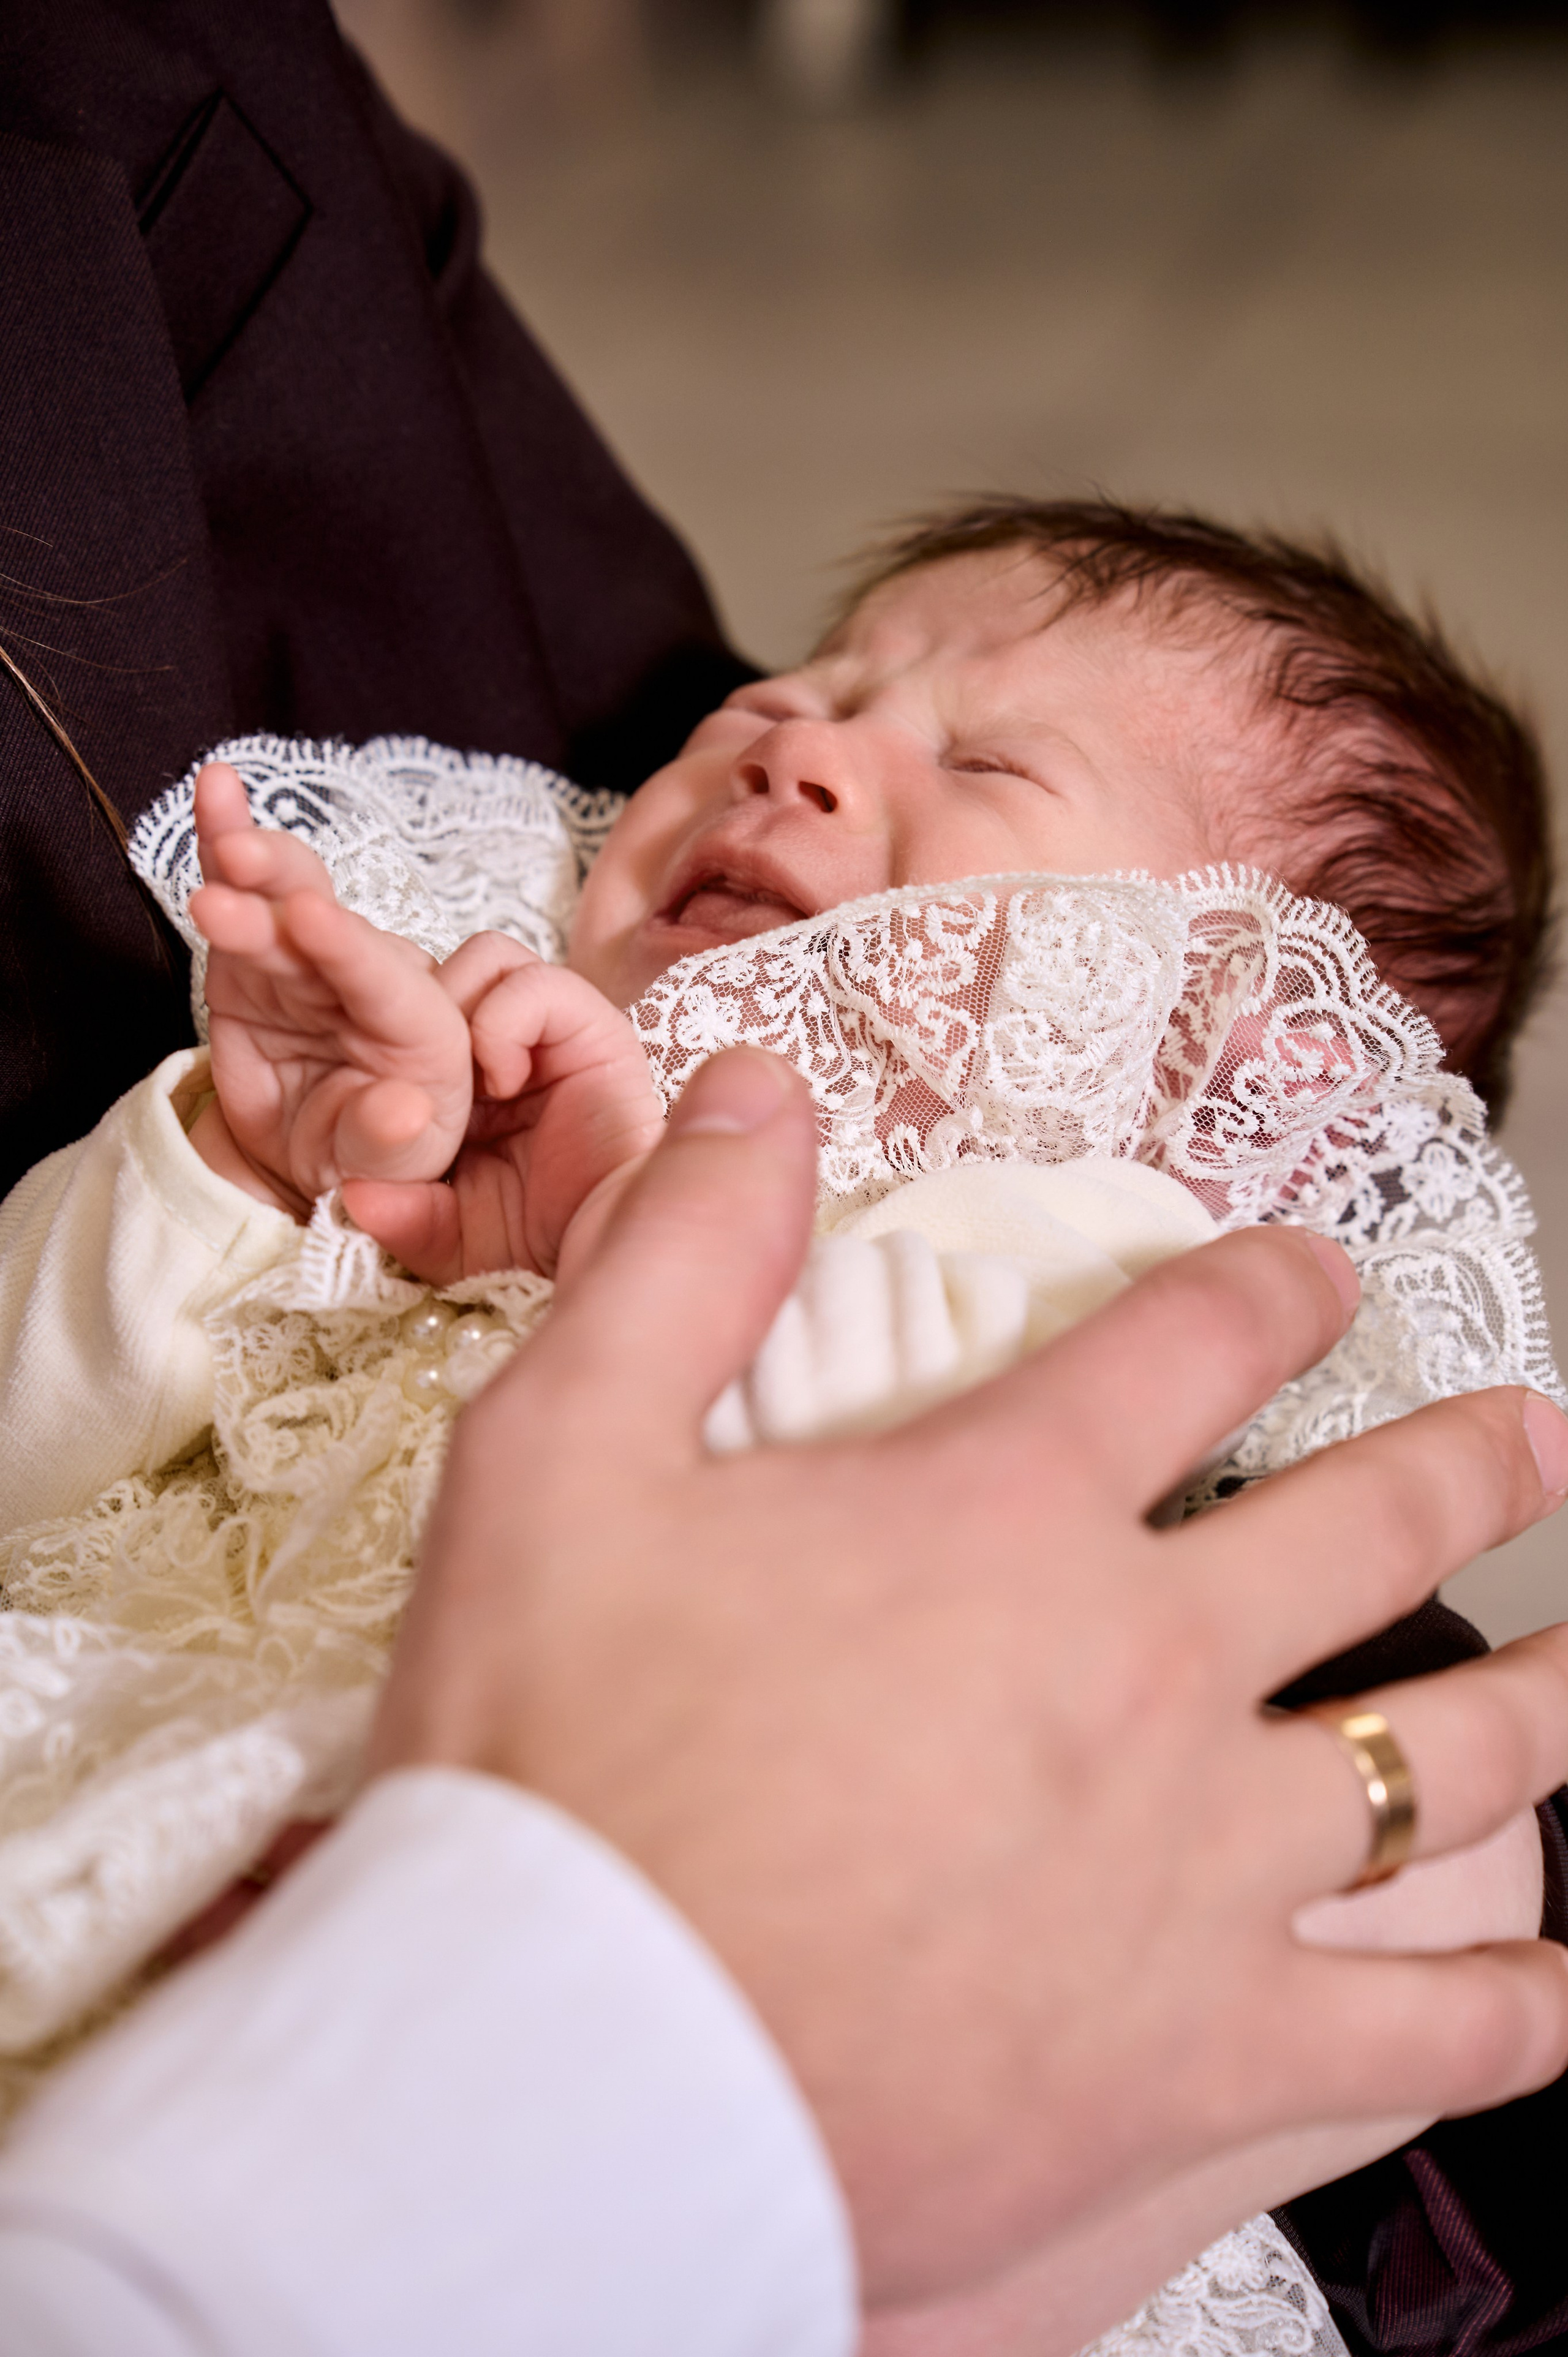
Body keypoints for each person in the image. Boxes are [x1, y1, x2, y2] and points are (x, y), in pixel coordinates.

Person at [1, 502, 1565, 2348]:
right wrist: (233, 1171)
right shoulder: (441, 1074)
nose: (791, 748)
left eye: (985, 763)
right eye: (787, 696)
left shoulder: (1082, 1246)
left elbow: (840, 1559)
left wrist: (636, 1228)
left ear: (1213, 1033)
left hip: (632, 2053)